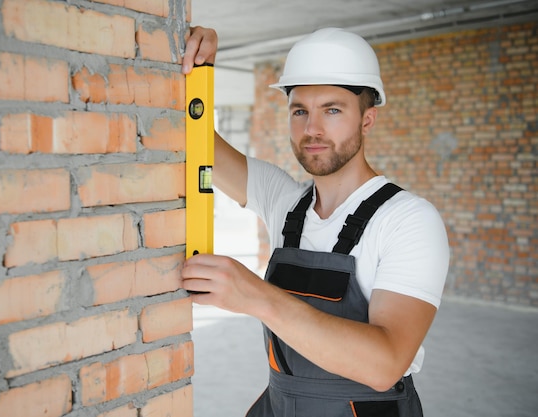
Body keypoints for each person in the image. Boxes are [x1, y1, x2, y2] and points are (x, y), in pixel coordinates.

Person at [181, 26, 449, 417]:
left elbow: (385, 364)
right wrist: (197, 69)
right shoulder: (285, 202)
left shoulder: (407, 220)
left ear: (367, 119)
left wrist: (254, 295)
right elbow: (194, 138)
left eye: (333, 110)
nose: (312, 129)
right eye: (300, 110)